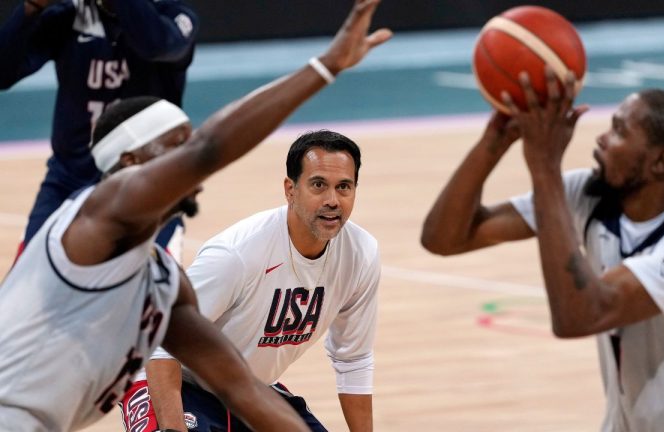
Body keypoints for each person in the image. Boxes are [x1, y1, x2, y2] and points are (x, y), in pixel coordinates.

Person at [0, 1, 392, 430]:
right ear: (130, 164)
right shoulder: (98, 216)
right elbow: (209, 149)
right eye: (174, 150)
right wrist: (325, 67)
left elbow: (238, 387)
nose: (186, 166)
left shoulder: (167, 284)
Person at [421, 68, 664, 431]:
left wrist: (543, 166)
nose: (602, 138)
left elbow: (580, 316)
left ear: (662, 161)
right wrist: (494, 140)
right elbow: (444, 238)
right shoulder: (588, 195)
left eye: (619, 130)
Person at [125, 129, 381, 432]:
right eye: (318, 185)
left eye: (344, 187)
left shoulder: (361, 254)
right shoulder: (237, 254)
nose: (332, 200)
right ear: (290, 189)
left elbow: (353, 359)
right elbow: (163, 339)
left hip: (248, 391)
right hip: (174, 381)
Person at [0, 0, 198, 258]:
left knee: (155, 289)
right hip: (70, 180)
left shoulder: (175, 15)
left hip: (149, 185)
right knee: (26, 292)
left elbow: (153, 45)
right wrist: (30, 9)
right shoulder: (68, 14)